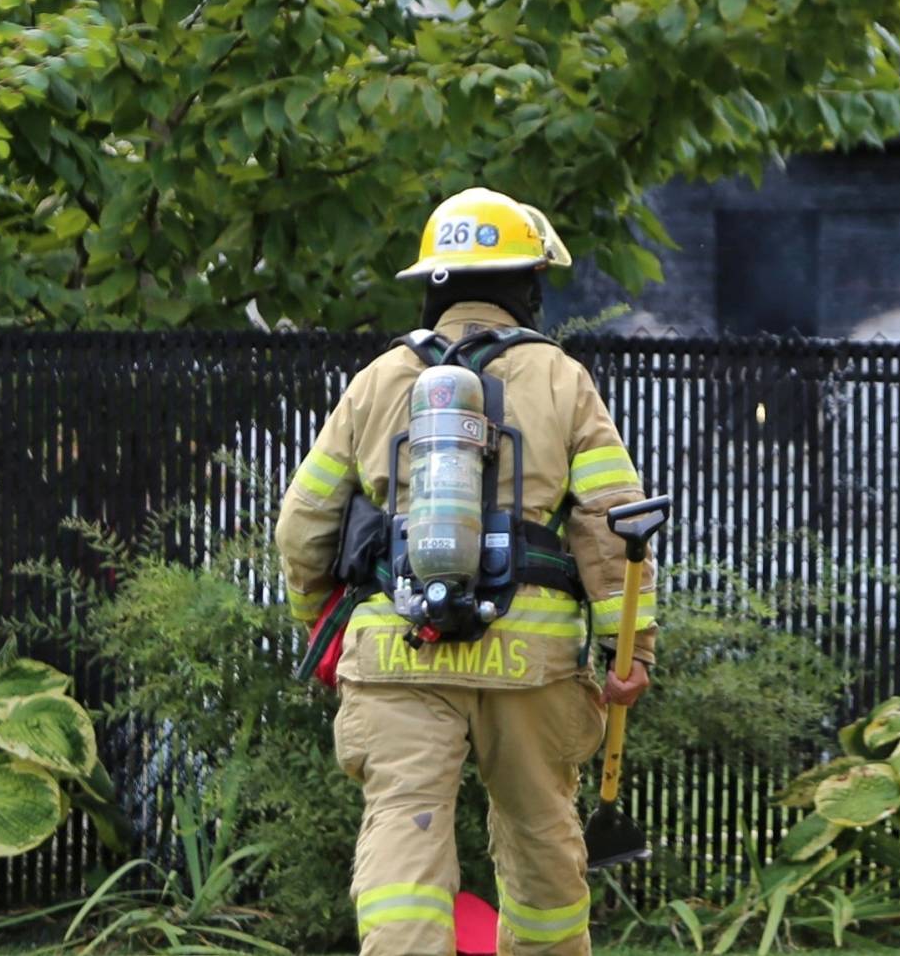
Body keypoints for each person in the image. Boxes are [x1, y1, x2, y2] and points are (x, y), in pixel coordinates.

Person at [275, 189, 656, 956]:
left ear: (432, 283)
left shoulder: (379, 380)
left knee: (403, 838)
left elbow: (301, 527)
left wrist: (314, 618)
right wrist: (630, 651)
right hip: (531, 661)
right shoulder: (560, 379)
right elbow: (612, 524)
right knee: (541, 839)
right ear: (528, 287)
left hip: (397, 651)